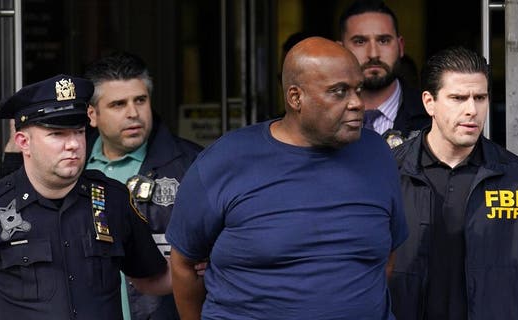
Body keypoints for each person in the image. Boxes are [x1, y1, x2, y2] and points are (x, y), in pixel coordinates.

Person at [166, 37, 408, 319]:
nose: (357, 103)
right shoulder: (226, 160)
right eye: (339, 92)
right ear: (296, 98)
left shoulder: (377, 154)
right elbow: (184, 264)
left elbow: (386, 257)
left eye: (358, 89)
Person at [0, 52, 203, 319]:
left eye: (79, 132)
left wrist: (209, 264)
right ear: (24, 142)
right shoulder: (1, 204)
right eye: (57, 134)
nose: (72, 144)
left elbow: (149, 277)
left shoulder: (113, 198)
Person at [389, 47, 518, 320]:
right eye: (458, 98)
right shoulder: (391, 173)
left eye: (480, 97)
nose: (472, 110)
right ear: (429, 103)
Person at [83, 52, 203, 320]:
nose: (133, 113)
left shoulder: (193, 165)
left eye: (140, 100)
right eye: (118, 104)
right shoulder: (73, 168)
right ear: (92, 114)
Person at [339, 0, 431, 145]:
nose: (373, 54)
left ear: (400, 47)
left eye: (383, 41)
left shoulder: (432, 115)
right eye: (360, 42)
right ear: (340, 50)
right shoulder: (323, 118)